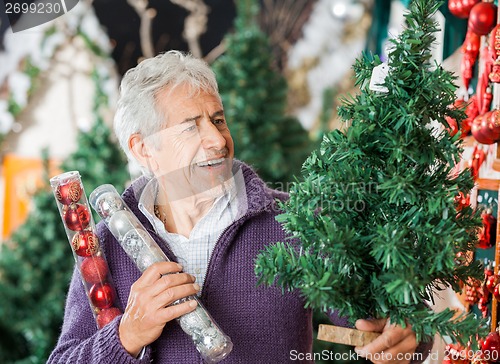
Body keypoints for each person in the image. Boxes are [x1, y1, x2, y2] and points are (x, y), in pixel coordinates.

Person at [48, 51, 431, 363]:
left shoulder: (294, 223)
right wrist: (126, 335)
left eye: (217, 120)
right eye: (190, 126)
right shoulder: (103, 246)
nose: (217, 140)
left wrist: (404, 336)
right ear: (143, 148)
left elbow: (387, 323)